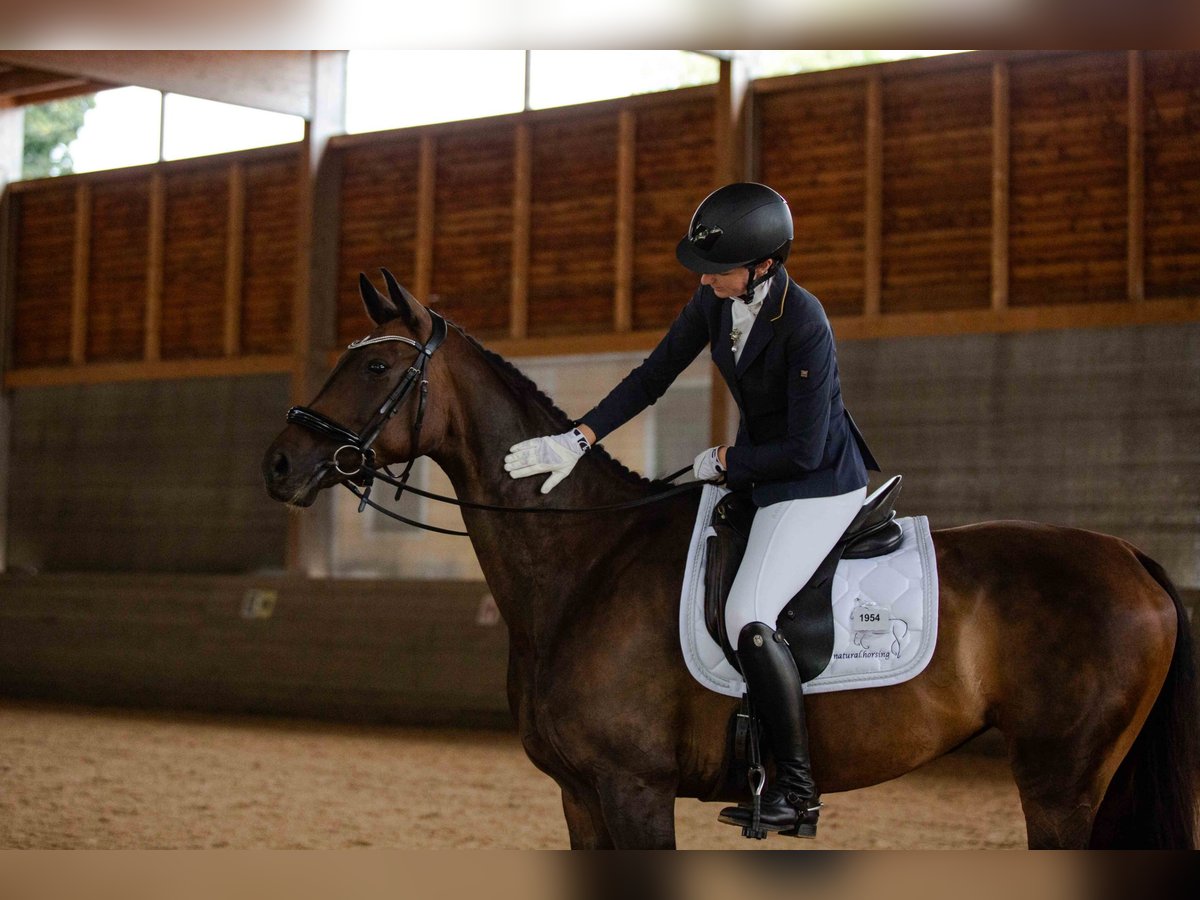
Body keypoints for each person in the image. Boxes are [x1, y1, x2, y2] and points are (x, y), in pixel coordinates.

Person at [503, 182, 879, 838]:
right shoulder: (716, 302)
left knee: (747, 612)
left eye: (719, 271)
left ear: (763, 265)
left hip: (818, 483)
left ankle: (796, 788)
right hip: (761, 475)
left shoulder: (804, 321)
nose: (706, 282)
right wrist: (580, 438)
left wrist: (731, 463)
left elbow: (808, 446)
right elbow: (652, 377)